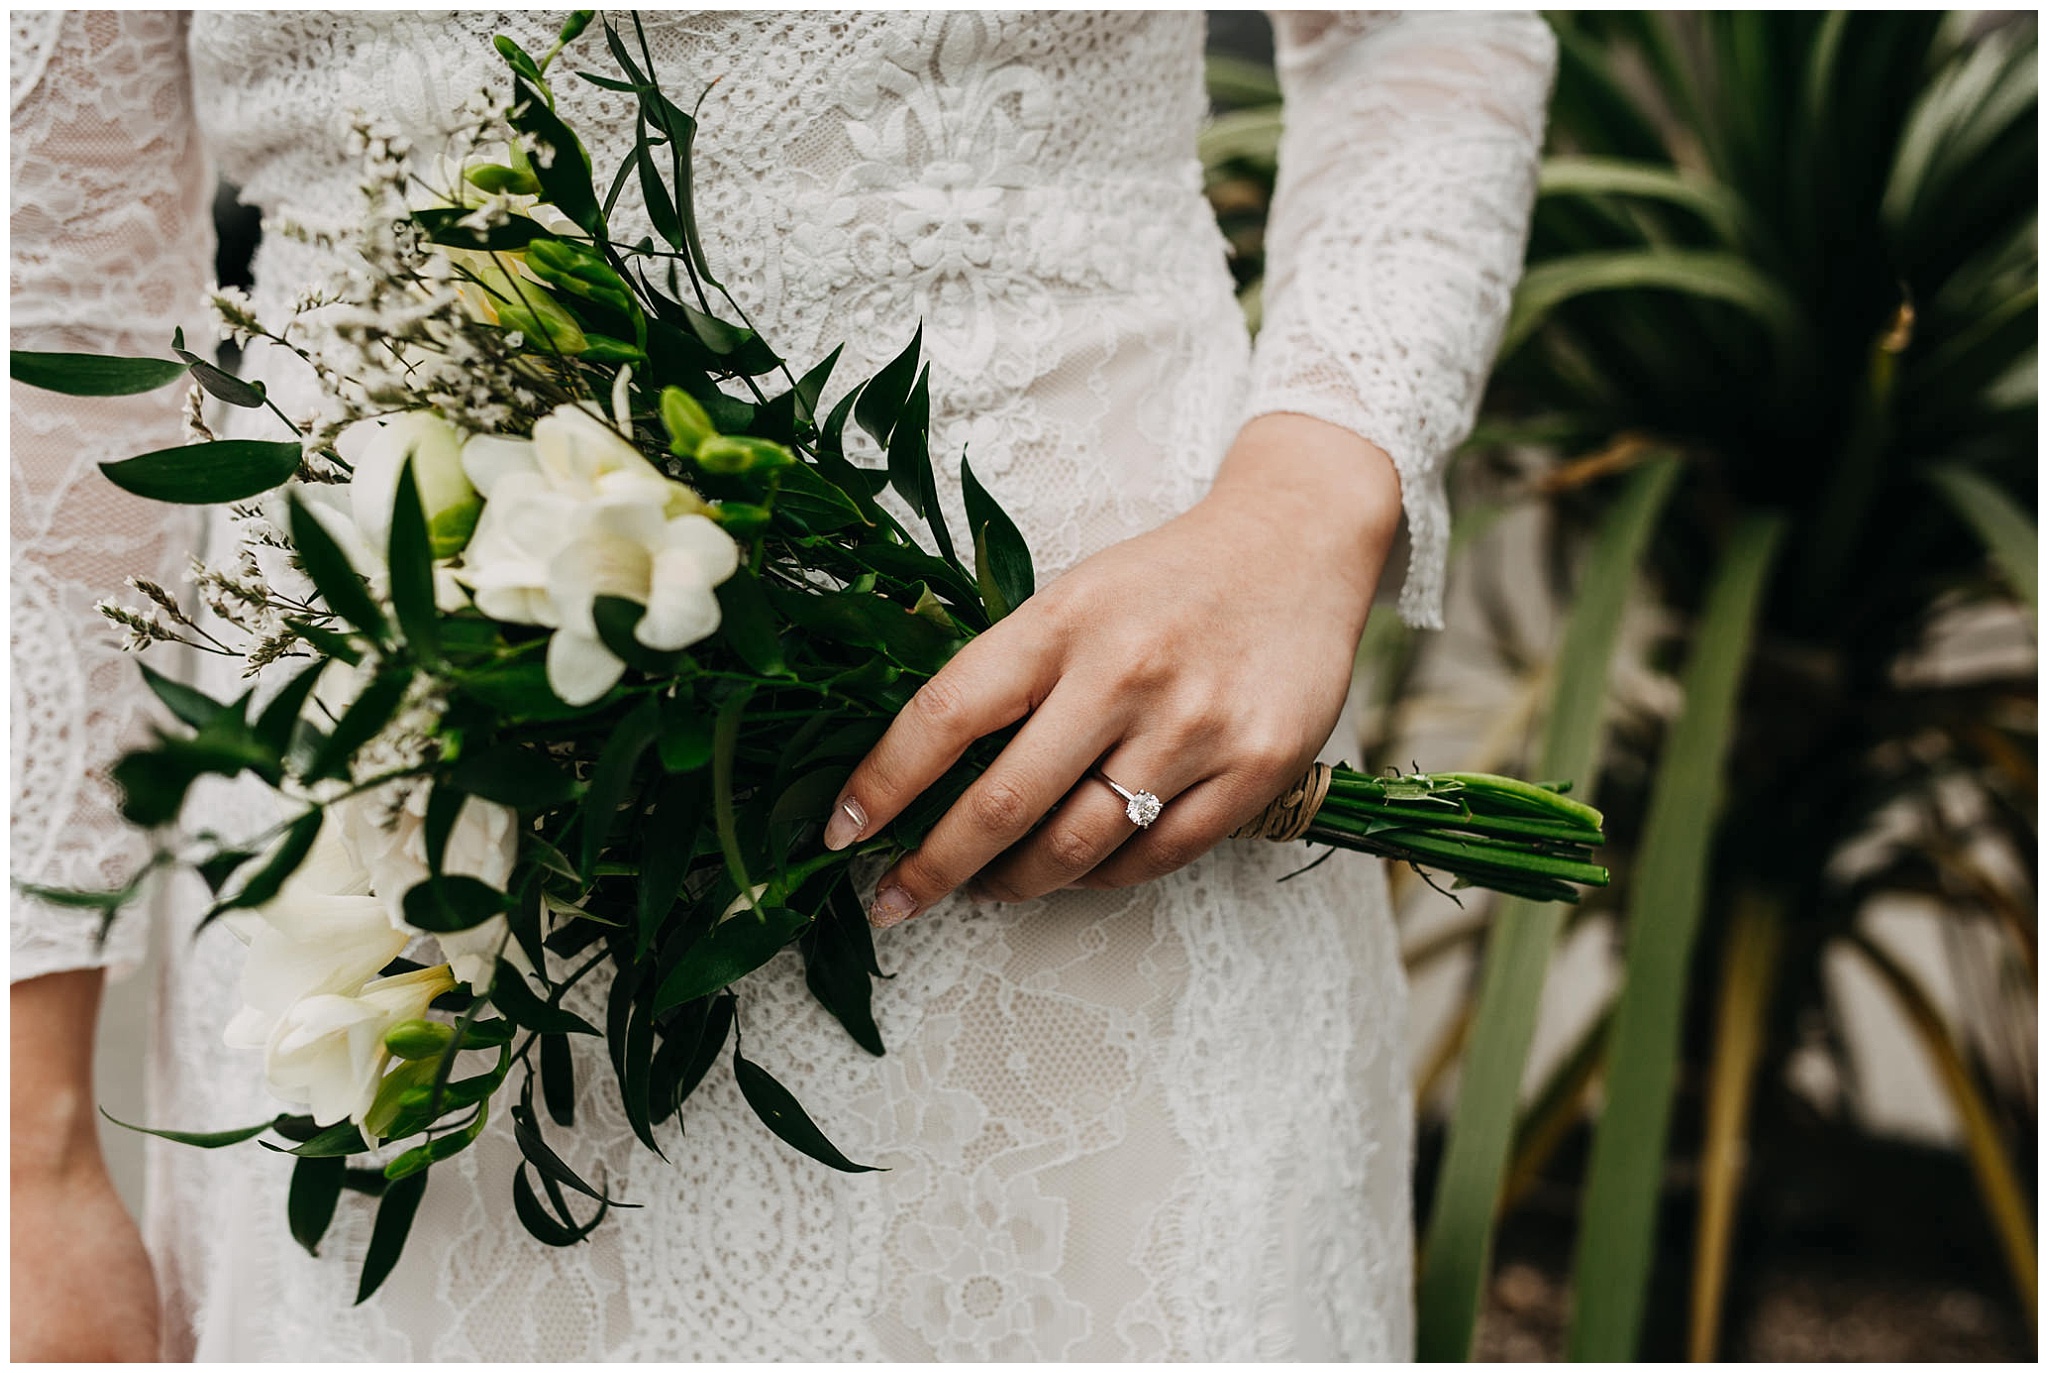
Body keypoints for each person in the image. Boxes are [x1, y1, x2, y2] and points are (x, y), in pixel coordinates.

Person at [10, 10, 1554, 1360]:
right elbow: (51, 305)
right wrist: (31, 1153)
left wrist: (1303, 507)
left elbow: (1422, 30)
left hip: (1108, 802)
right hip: (431, 904)